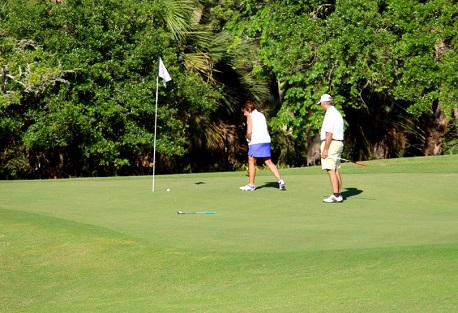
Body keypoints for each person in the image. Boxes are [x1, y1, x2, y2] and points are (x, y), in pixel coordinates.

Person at [239, 101, 286, 191]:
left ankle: (251, 185)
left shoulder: (250, 116)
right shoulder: (261, 115)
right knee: (268, 161)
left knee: (251, 160)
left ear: (248, 109)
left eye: (245, 111)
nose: (244, 114)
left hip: (256, 141)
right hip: (266, 140)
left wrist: (248, 138)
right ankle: (280, 181)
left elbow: (249, 132)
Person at [318, 93, 345, 203]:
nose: (321, 106)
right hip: (338, 143)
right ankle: (338, 194)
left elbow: (329, 133)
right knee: (335, 169)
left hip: (331, 143)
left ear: (324, 103)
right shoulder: (337, 113)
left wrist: (325, 149)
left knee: (330, 170)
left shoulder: (330, 114)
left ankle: (335, 195)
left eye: (321, 104)